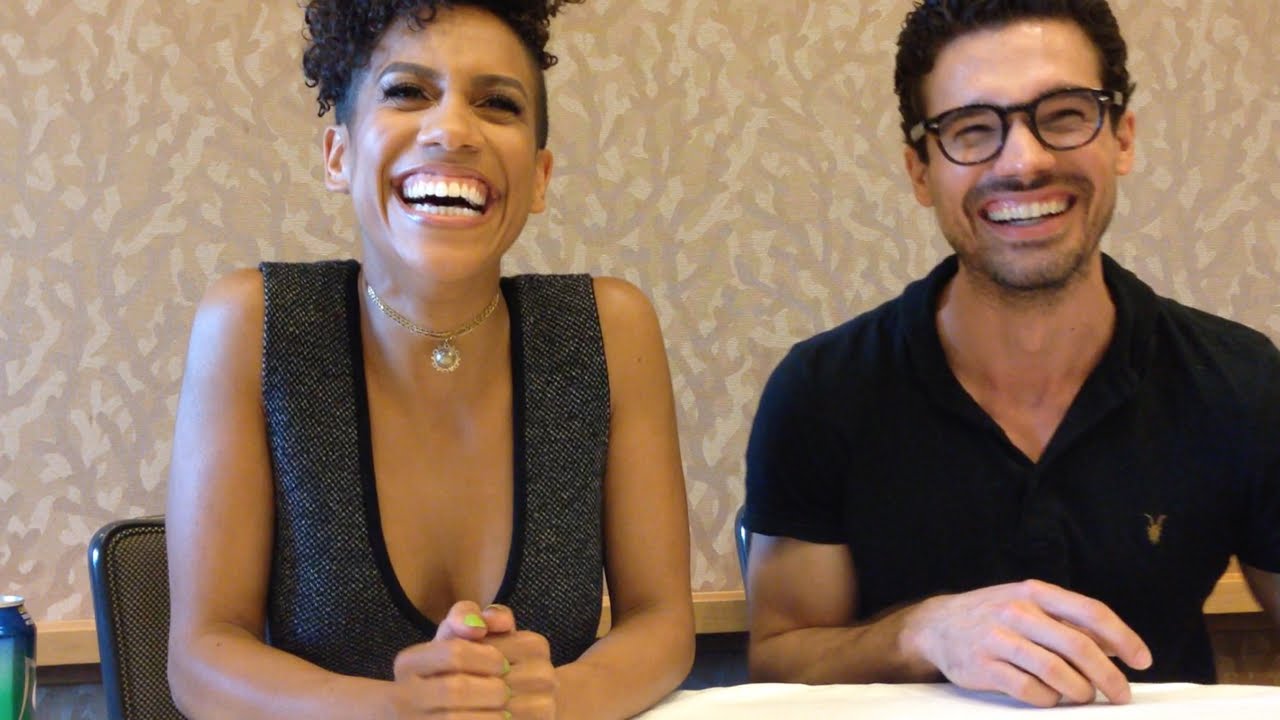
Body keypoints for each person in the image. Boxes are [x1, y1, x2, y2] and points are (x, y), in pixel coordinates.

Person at [743, 0, 1280, 709]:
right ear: (919, 172)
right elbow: (780, 658)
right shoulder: (820, 391)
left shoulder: (1240, 380)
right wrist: (922, 632)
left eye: (1064, 115)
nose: (1024, 161)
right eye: (972, 129)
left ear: (1122, 138)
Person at [164, 2, 694, 718]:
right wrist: (397, 710)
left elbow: (661, 623)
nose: (453, 130)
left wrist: (551, 699)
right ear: (339, 156)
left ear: (539, 177)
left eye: (497, 103)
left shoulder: (608, 329)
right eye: (408, 91)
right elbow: (202, 658)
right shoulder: (254, 324)